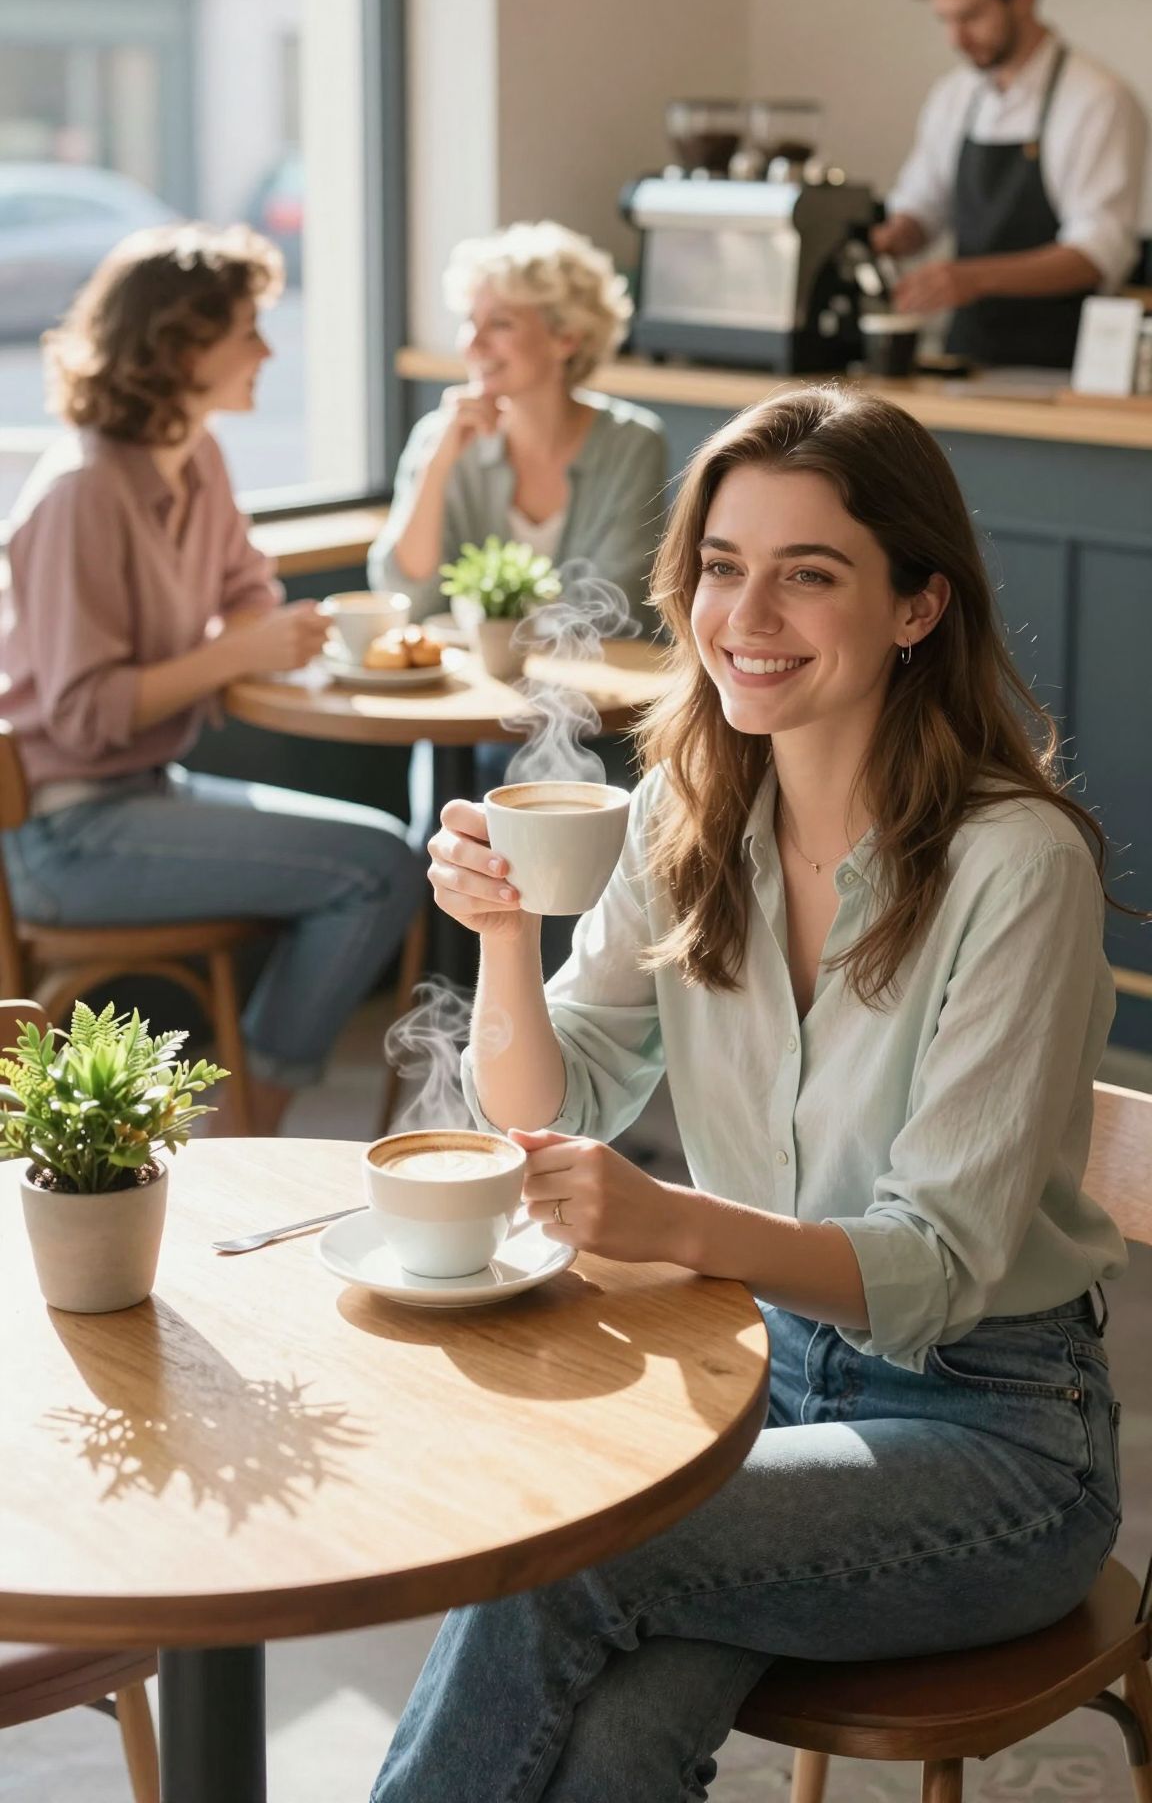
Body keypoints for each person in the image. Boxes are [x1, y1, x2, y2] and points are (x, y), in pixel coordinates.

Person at [372, 383, 1127, 1803]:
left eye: (809, 574)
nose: (747, 615)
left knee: (569, 1555)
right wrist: (508, 938)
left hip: (994, 1437)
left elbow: (944, 1265)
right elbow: (560, 1103)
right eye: (723, 568)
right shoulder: (685, 812)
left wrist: (680, 1228)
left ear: (917, 607)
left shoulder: (1016, 867)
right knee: (612, 1735)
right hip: (767, 1389)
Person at [0, 223, 423, 1137]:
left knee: (385, 853)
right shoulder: (83, 492)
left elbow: (244, 588)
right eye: (248, 329)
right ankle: (246, 1127)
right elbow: (82, 716)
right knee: (380, 866)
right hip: (67, 831)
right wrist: (237, 653)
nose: (268, 349)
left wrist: (247, 632)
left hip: (145, 791)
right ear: (180, 344)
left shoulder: (195, 455)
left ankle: (241, 1118)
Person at [871, 0, 1147, 369]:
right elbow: (923, 207)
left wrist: (971, 278)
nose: (956, 38)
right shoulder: (953, 96)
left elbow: (1098, 253)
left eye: (971, 16)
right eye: (944, 19)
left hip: (1066, 366)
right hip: (962, 360)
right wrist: (893, 236)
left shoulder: (1097, 100)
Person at [368, 220, 668, 628]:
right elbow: (408, 599)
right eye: (470, 321)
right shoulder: (440, 438)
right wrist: (436, 466)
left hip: (593, 685)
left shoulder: (633, 443)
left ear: (566, 338)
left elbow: (618, 607)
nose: (472, 344)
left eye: (500, 323)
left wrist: (494, 629)